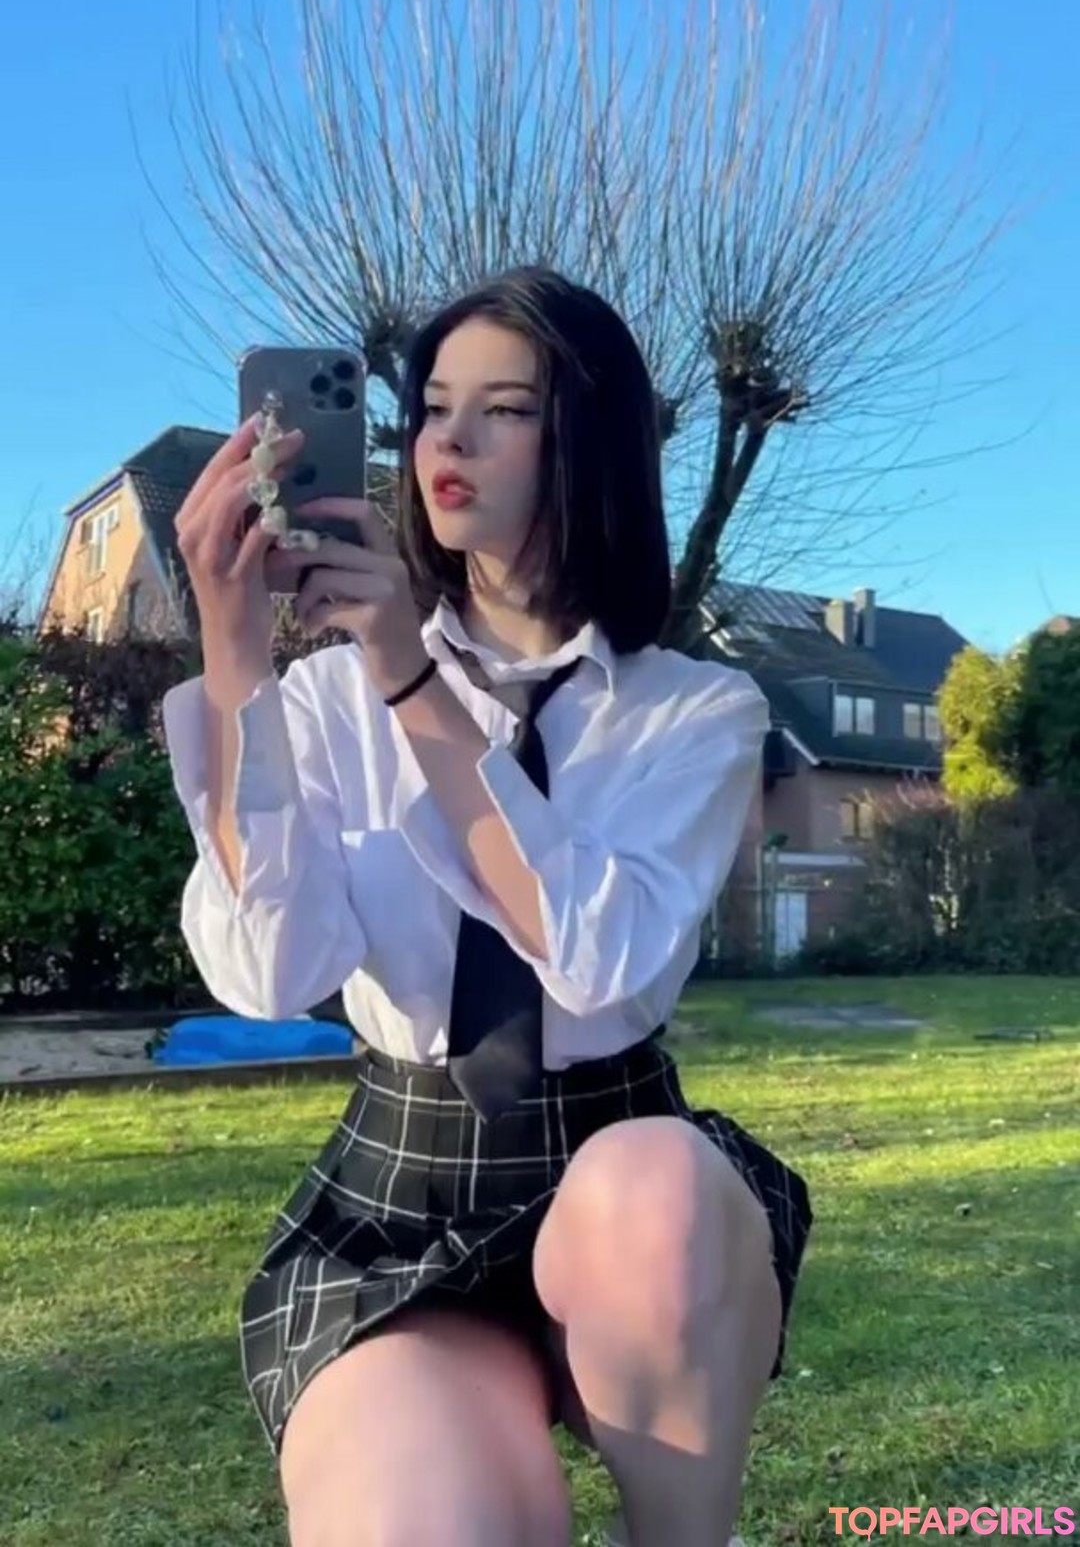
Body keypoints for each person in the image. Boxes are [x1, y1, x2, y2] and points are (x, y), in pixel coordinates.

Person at [162, 267, 813, 1547]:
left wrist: (413, 679)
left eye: (504, 409)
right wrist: (235, 652)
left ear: (592, 443)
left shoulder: (694, 710)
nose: (446, 442)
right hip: (401, 1190)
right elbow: (267, 967)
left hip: (625, 1191)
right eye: (433, 408)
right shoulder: (326, 699)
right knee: (429, 1520)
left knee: (655, 1183)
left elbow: (601, 959)